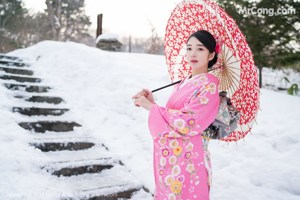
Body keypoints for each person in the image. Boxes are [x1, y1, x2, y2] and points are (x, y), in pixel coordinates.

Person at [132, 30, 220, 200]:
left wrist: (151, 108)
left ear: (211, 55)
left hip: (190, 157)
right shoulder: (183, 81)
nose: (192, 53)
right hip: (174, 155)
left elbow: (188, 122)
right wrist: (153, 104)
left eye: (200, 49)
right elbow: (174, 116)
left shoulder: (208, 87)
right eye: (189, 48)